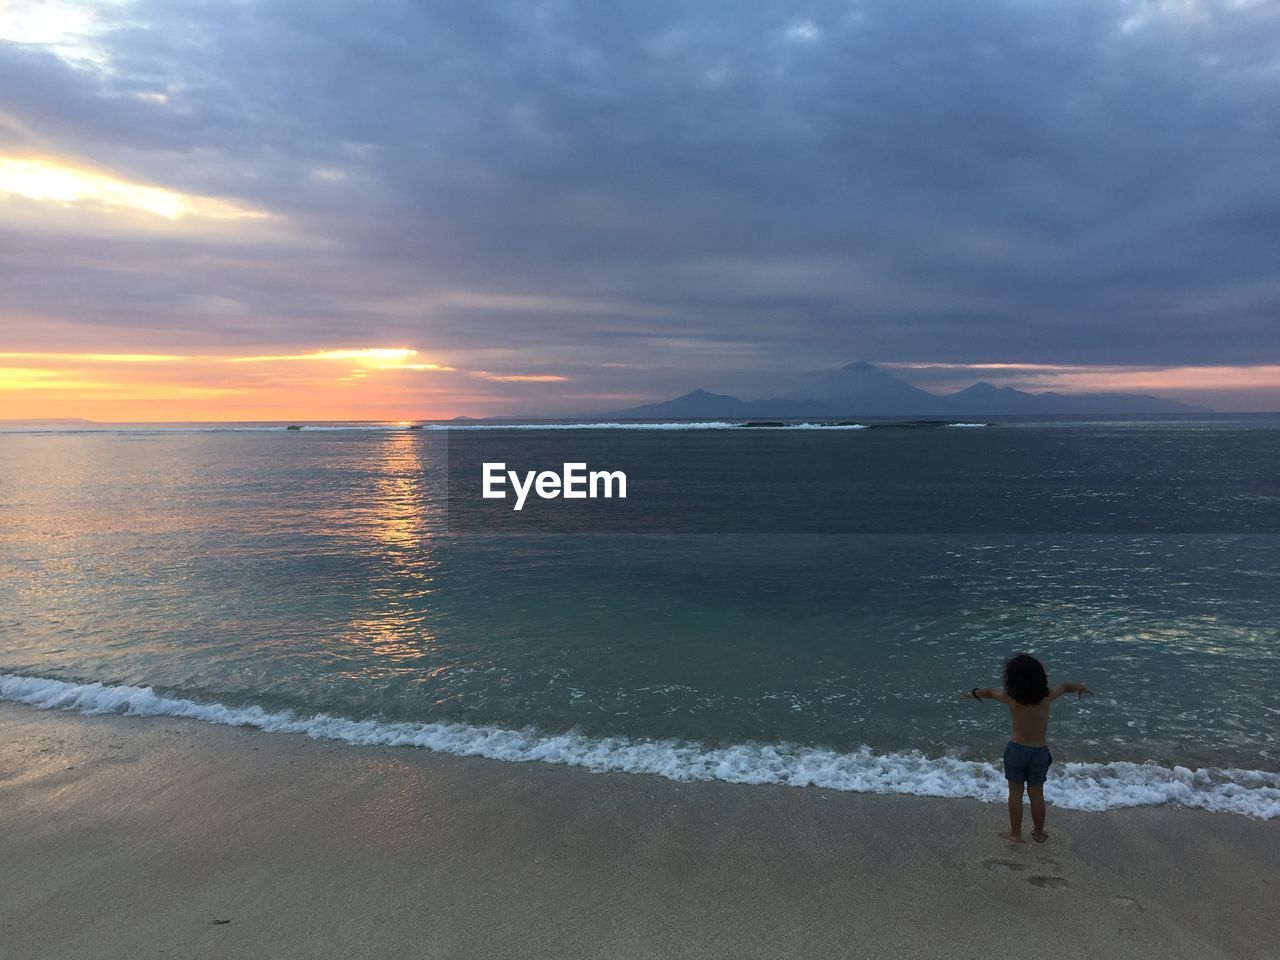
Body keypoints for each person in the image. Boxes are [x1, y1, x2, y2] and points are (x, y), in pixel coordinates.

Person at [962, 653, 1094, 843]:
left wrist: (973, 694)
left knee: (1015, 794)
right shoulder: (1046, 695)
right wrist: (1080, 688)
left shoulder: (1010, 697)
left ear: (1012, 679)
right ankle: (1039, 833)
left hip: (1016, 750)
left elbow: (990, 692)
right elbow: (1065, 687)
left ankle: (1015, 834)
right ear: (1041, 677)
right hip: (1039, 752)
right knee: (1036, 794)